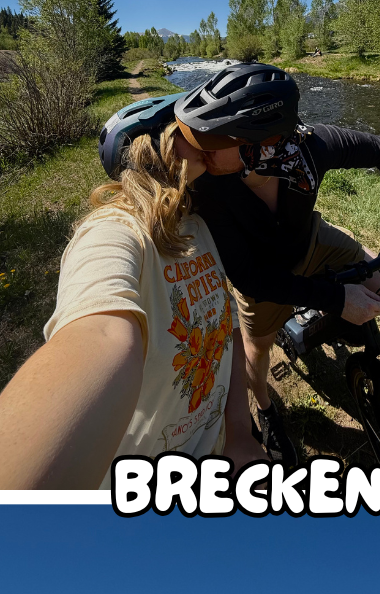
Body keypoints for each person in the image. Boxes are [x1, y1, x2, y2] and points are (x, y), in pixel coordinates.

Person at [108, 62, 380, 465]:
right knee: (258, 351)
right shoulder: (208, 181)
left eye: (214, 136)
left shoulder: (311, 147)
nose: (199, 144)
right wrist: (338, 298)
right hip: (261, 273)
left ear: (260, 141)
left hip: (311, 240)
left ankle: (320, 313)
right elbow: (250, 278)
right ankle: (266, 407)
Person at [0, 124, 263, 488]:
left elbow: (228, 327)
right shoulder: (113, 232)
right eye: (189, 130)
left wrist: (237, 429)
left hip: (216, 462)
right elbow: (102, 333)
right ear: (150, 146)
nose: (207, 139)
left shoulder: (196, 227)